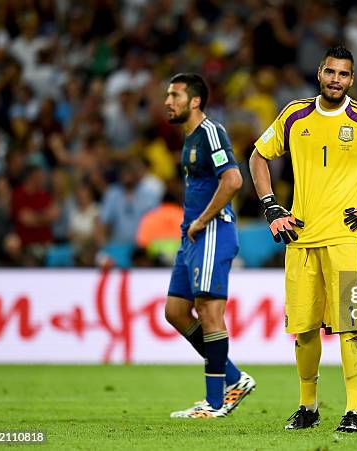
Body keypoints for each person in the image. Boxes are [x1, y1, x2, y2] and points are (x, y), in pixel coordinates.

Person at [249, 46, 357, 433]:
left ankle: (354, 411)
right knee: (305, 329)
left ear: (352, 79)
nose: (336, 79)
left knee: (350, 327)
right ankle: (307, 407)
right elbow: (258, 157)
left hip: (346, 238)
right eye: (330, 72)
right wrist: (272, 207)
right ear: (319, 73)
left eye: (343, 74)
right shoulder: (294, 115)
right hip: (301, 237)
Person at [163, 73, 255, 419]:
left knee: (209, 313)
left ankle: (215, 403)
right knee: (175, 311)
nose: (168, 102)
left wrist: (202, 220)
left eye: (175, 95)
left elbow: (233, 179)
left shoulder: (210, 132)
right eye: (167, 96)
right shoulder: (188, 139)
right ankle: (233, 378)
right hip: (192, 236)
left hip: (212, 231)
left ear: (195, 101)